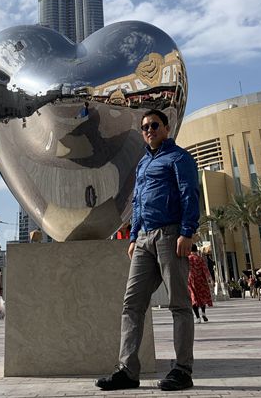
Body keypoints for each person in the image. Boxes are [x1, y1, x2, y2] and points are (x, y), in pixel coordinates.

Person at [96, 108, 199, 392]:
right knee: (132, 303)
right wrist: (133, 237)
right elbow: (137, 203)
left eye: (155, 125)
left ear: (166, 128)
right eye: (145, 127)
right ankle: (127, 370)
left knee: (178, 304)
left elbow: (190, 194)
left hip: (170, 235)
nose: (149, 130)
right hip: (143, 239)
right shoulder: (142, 164)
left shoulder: (179, 158)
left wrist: (187, 231)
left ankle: (182, 370)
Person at [188, 244, 213, 323]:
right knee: (202, 297)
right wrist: (210, 279)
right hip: (201, 280)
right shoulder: (200, 259)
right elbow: (205, 269)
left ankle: (198, 318)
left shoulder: (188, 259)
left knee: (194, 298)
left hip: (191, 281)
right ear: (196, 250)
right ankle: (203, 313)